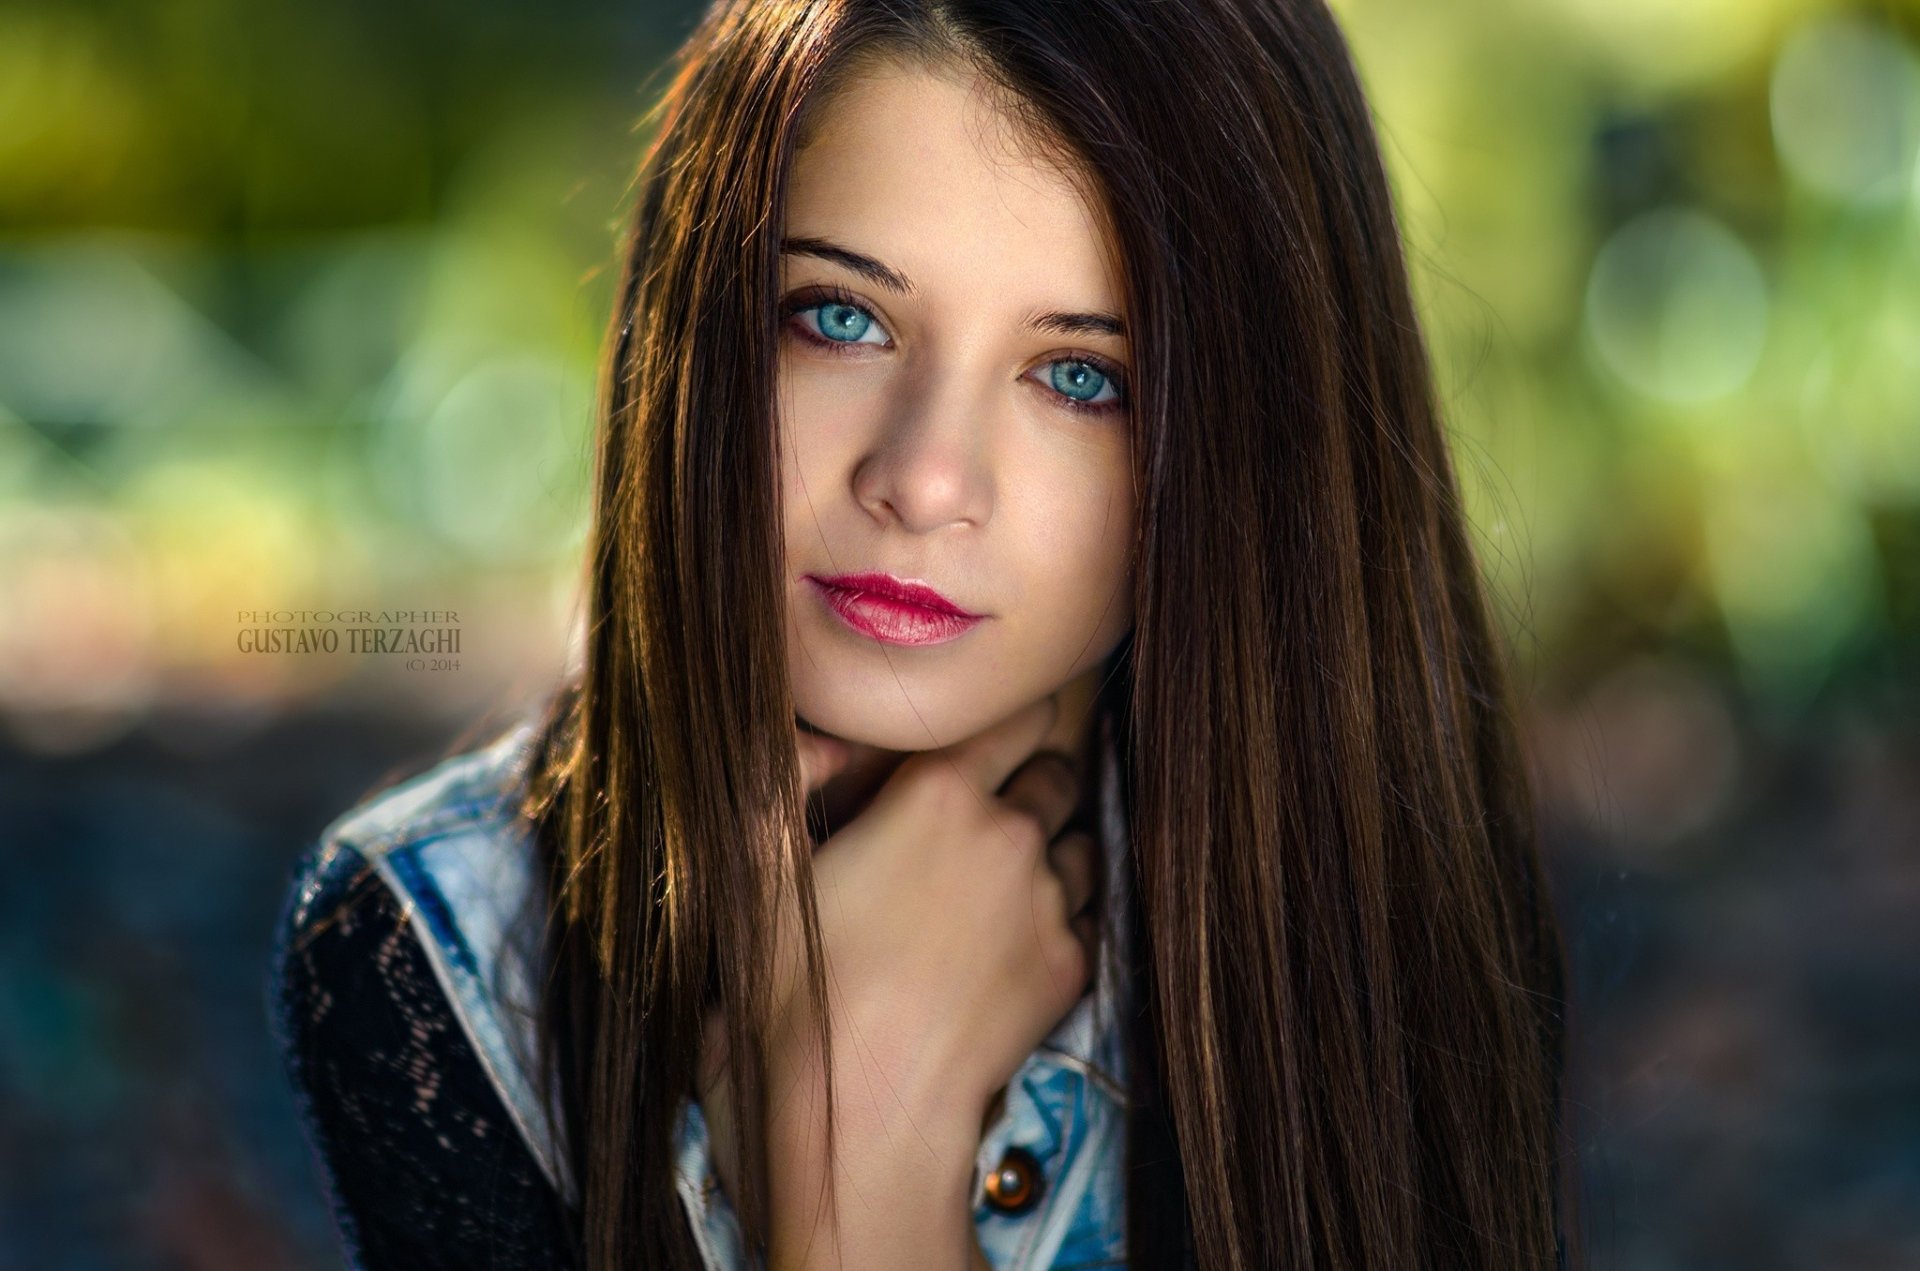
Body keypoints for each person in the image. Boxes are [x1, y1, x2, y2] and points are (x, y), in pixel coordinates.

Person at [269, 1, 1580, 1268]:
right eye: (842, 318)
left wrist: (862, 1184)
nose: (924, 479)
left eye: (1083, 377)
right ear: (701, 324)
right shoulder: (435, 946)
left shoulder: (1372, 914)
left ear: (1262, 446)